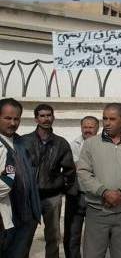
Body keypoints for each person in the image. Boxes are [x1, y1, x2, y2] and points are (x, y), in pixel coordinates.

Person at [77, 103, 121, 258]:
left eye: (112, 119)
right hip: (97, 211)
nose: (107, 123)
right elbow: (83, 173)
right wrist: (104, 192)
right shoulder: (91, 144)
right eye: (104, 118)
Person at [20, 103, 76, 258]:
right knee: (25, 236)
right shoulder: (24, 141)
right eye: (42, 116)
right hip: (30, 197)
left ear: (53, 117)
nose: (46, 119)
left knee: (53, 236)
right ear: (36, 119)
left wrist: (61, 188)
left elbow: (69, 170)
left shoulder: (61, 143)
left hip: (52, 197)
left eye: (48, 115)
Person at [0, 98, 41, 258]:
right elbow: (6, 182)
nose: (12, 123)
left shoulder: (20, 143)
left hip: (26, 218)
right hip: (6, 220)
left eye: (16, 118)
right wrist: (9, 180)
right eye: (7, 118)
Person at [64, 116, 99, 258]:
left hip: (95, 196)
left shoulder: (103, 144)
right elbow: (74, 167)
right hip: (76, 194)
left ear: (97, 128)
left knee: (95, 236)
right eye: (85, 127)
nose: (87, 130)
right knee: (72, 234)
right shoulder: (74, 145)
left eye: (91, 127)